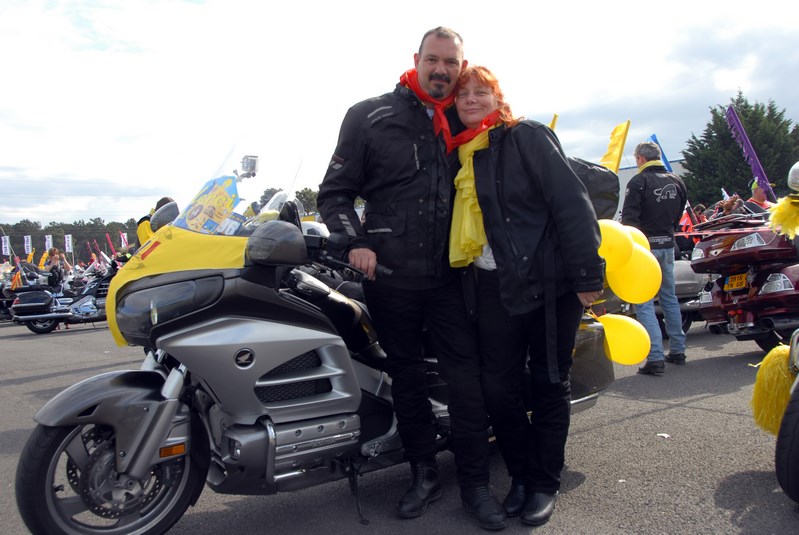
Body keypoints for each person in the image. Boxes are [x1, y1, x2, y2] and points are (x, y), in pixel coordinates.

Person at [317, 28, 505, 530]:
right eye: (433, 60)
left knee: (465, 382)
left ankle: (475, 485)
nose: (442, 70)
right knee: (407, 379)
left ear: (461, 66)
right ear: (416, 59)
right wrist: (354, 242)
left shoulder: (464, 115)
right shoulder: (369, 115)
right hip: (391, 277)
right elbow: (334, 193)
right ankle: (424, 474)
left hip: (451, 278)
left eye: (451, 63)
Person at [449, 66, 604, 527]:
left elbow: (571, 203)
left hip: (549, 283)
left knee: (549, 383)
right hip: (492, 285)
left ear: (498, 99)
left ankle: (543, 482)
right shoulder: (460, 153)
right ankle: (519, 475)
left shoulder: (527, 136)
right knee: (499, 388)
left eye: (481, 91)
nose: (471, 99)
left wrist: (587, 273)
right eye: (463, 94)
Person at [621, 141, 688, 374]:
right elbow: (678, 216)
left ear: (640, 158)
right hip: (668, 245)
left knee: (644, 302)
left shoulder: (638, 182)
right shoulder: (677, 181)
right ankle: (678, 350)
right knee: (669, 297)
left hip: (644, 249)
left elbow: (629, 221)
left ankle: (655, 357)